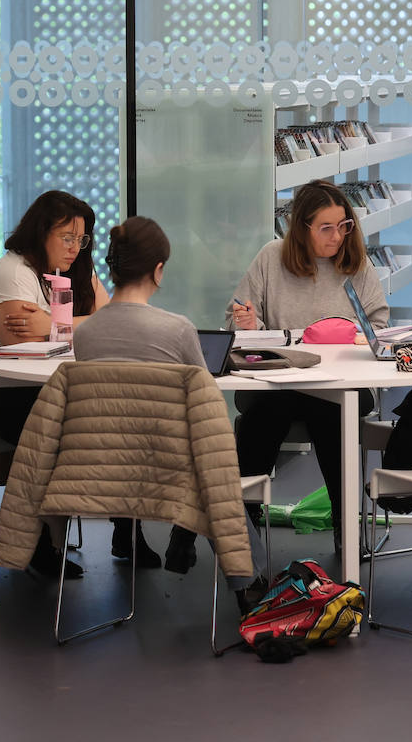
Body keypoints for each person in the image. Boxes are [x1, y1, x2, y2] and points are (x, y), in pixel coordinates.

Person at [73, 216, 269, 612]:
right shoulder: (177, 330)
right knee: (208, 466)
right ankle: (251, 582)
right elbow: (206, 404)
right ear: (158, 270)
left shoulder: (85, 333)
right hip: (168, 471)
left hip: (99, 467)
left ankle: (187, 540)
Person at [0, 189, 110, 578]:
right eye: (66, 238)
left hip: (35, 387)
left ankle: (111, 528)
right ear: (40, 233)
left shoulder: (75, 269)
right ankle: (37, 541)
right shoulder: (14, 272)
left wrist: (55, 327)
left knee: (93, 420)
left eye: (81, 239)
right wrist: (71, 329)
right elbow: (23, 341)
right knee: (63, 432)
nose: (75, 248)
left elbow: (111, 319)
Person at [226, 180, 388, 553]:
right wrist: (248, 325)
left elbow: (378, 325)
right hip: (279, 383)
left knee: (332, 411)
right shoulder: (271, 257)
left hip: (340, 383)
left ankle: (346, 527)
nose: (337, 237)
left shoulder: (356, 264)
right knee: (267, 413)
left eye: (344, 225)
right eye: (326, 228)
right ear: (302, 229)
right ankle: (242, 529)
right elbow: (237, 321)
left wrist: (357, 339)